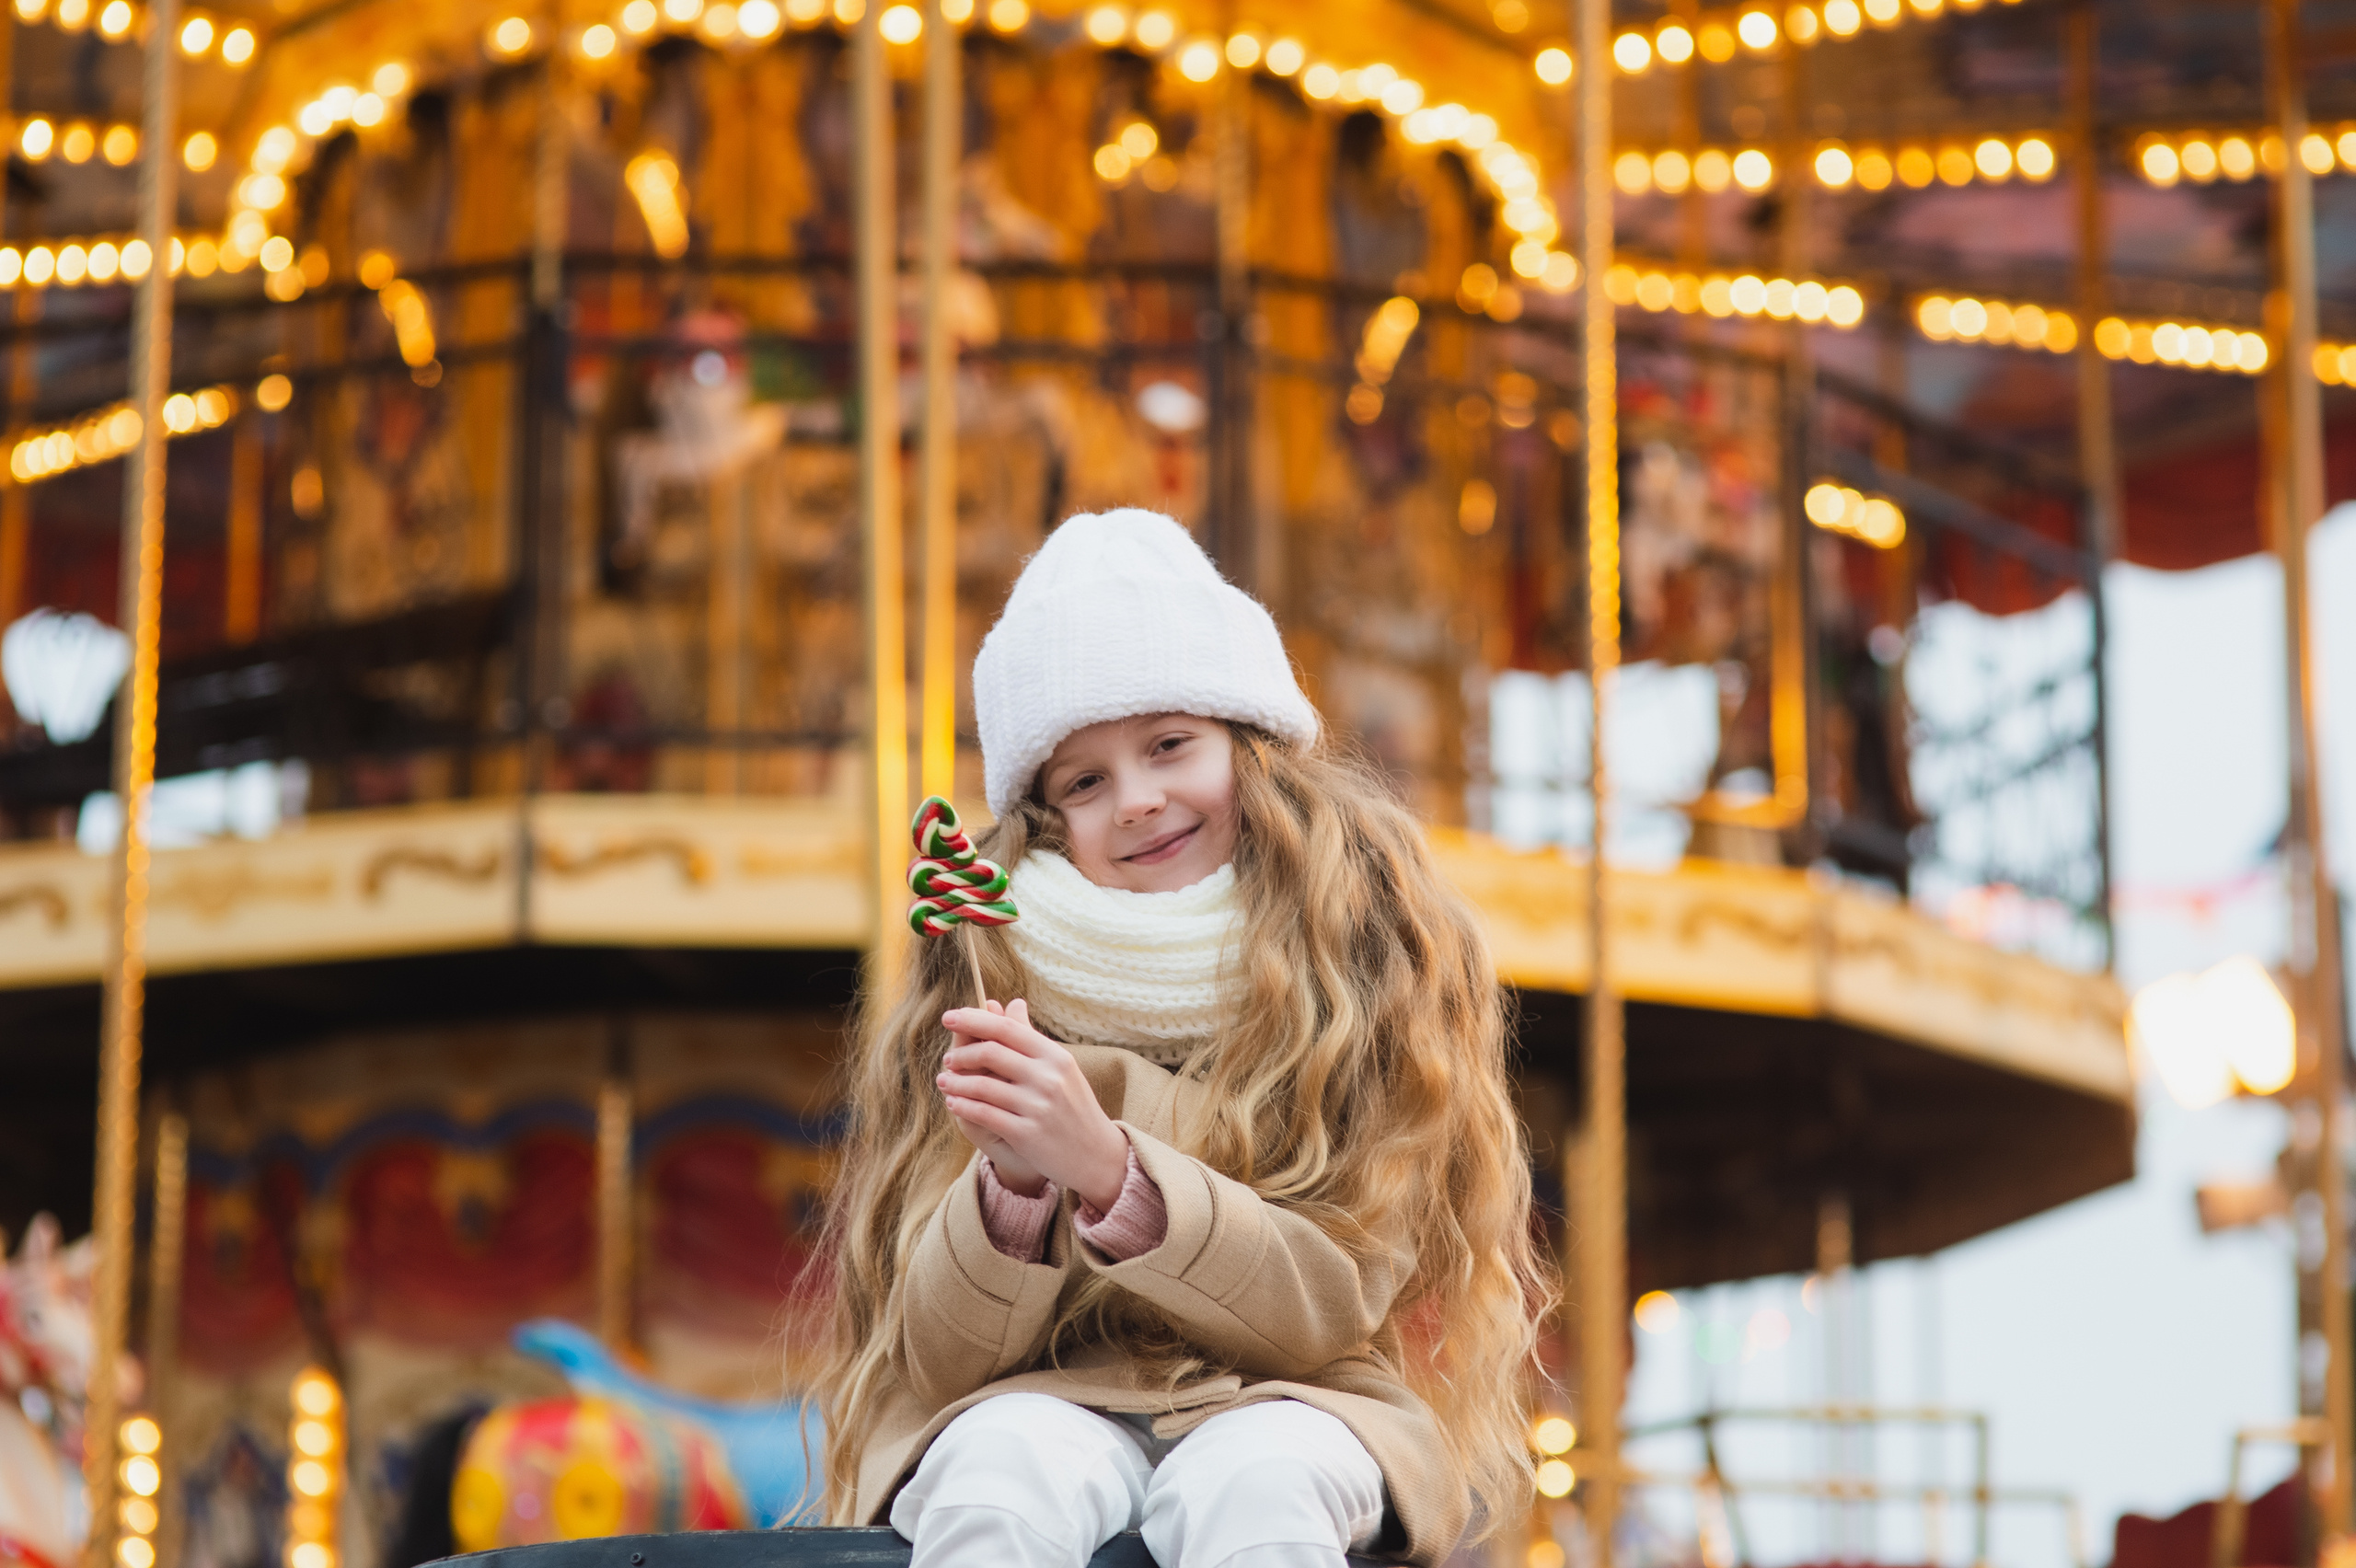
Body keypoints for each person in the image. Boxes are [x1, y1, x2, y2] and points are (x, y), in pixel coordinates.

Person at [815, 509, 1546, 1567]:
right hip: (1045, 1390)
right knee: (995, 1475)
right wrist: (1012, 1194)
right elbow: (938, 1358)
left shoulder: (1366, 961)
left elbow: (1331, 1303)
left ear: (1246, 746)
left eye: (1168, 746)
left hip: (1295, 1391)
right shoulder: (987, 973)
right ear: (1047, 813)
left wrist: (1107, 1169)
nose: (1140, 801)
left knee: (1252, 1485)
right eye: (1085, 780)